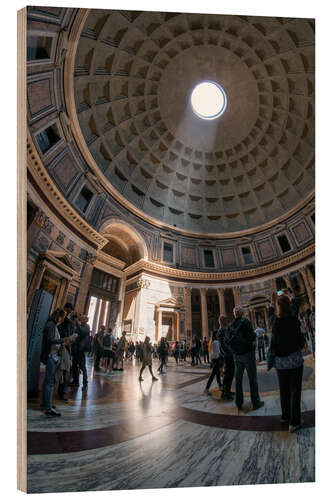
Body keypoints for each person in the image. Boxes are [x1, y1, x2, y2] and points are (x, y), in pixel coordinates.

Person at [269, 294, 305, 432]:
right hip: (295, 360)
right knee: (295, 391)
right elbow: (295, 305)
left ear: (277, 307)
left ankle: (285, 416)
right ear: (289, 306)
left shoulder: (274, 322)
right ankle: (294, 422)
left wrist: (273, 302)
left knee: (284, 391)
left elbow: (270, 311)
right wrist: (291, 297)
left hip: (281, 363)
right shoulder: (293, 318)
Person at [40, 309, 76, 416]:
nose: (63, 319)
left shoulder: (53, 325)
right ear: (58, 316)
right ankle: (48, 407)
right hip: (51, 356)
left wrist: (63, 342)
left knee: (49, 381)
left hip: (53, 355)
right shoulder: (51, 325)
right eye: (63, 317)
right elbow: (50, 340)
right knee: (50, 382)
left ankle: (46, 402)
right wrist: (64, 339)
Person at [229, 306, 264, 412]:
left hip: (237, 356)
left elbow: (229, 340)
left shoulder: (231, 325)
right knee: (252, 378)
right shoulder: (246, 322)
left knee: (238, 380)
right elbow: (253, 336)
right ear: (242, 313)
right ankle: (255, 401)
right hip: (248, 354)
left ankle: (239, 402)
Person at [56, 303, 75, 402]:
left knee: (64, 371)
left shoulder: (69, 322)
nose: (69, 312)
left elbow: (70, 334)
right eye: (69, 310)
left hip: (66, 348)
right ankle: (58, 393)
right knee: (60, 372)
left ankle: (61, 392)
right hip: (60, 347)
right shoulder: (60, 320)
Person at [70, 315, 90, 391]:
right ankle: (75, 381)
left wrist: (77, 324)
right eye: (81, 318)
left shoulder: (86, 327)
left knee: (82, 367)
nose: (81, 318)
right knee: (74, 366)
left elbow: (82, 331)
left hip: (81, 350)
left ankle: (85, 383)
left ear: (86, 320)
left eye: (83, 318)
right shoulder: (79, 326)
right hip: (76, 349)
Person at [218, 316, 235, 401]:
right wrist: (229, 352)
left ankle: (228, 390)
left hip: (229, 354)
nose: (227, 321)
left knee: (231, 373)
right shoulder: (221, 331)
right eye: (225, 320)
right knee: (227, 374)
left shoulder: (225, 330)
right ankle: (224, 392)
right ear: (222, 321)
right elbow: (223, 345)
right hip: (227, 355)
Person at [204, 331, 222, 395]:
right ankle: (206, 388)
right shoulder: (216, 342)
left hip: (213, 360)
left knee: (217, 374)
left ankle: (220, 386)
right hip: (217, 360)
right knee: (213, 375)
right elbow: (217, 353)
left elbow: (211, 353)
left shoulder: (211, 342)